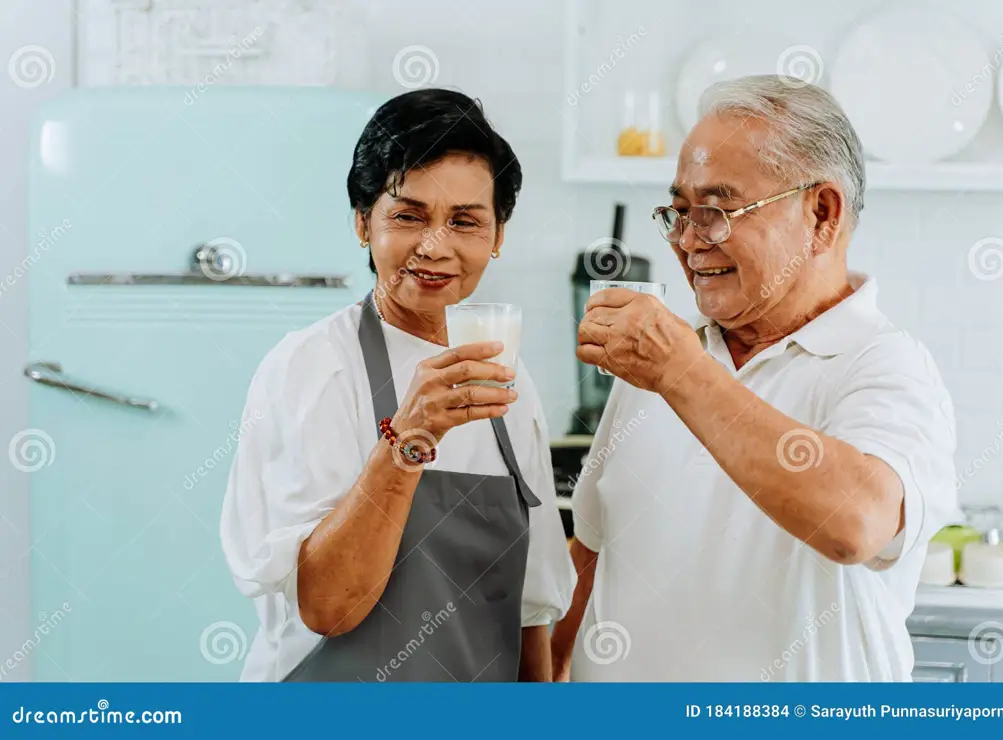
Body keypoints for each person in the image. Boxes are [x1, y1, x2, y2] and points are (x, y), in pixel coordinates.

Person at [552, 75, 957, 682]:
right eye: (680, 212)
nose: (689, 242)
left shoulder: (886, 365)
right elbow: (590, 554)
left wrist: (679, 371)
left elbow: (857, 524)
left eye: (716, 211)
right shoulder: (660, 364)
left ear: (821, 214)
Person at [220, 88, 574, 682]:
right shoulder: (313, 368)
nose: (434, 246)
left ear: (498, 236)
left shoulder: (511, 381)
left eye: (465, 221)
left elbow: (530, 610)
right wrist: (408, 439)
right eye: (408, 216)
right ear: (364, 223)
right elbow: (328, 607)